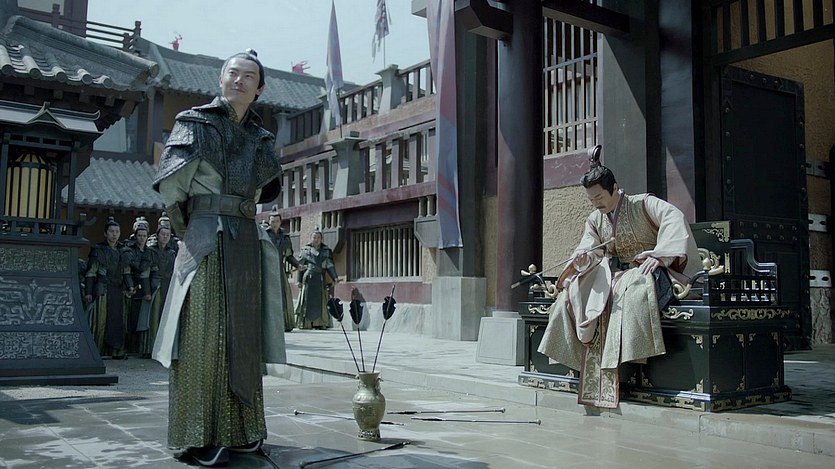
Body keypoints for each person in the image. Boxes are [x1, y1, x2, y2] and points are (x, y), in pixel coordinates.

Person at [151, 49, 285, 467]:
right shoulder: (194, 123)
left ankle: (241, 431)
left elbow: (264, 190)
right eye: (233, 73)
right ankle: (196, 436)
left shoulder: (261, 138)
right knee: (203, 335)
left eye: (249, 77)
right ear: (221, 78)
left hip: (246, 239)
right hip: (207, 237)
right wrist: (195, 227)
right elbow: (172, 189)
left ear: (259, 89)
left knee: (243, 337)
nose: (239, 81)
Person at [537, 145, 701, 408]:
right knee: (573, 293)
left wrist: (659, 255)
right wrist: (582, 257)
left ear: (615, 188)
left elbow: (674, 217)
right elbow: (589, 247)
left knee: (632, 290)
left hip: (651, 270)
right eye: (591, 200)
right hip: (618, 274)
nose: (596, 203)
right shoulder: (595, 219)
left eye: (599, 197)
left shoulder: (642, 203)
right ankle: (581, 364)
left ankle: (630, 367)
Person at [84, 217, 127, 359]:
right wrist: (89, 292)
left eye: (117, 232)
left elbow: (126, 271)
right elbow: (91, 272)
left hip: (118, 289)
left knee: (117, 320)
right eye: (111, 231)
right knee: (100, 321)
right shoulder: (98, 250)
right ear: (105, 233)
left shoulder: (122, 250)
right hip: (103, 288)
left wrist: (129, 287)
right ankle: (97, 350)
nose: (114, 234)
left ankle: (116, 350)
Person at [121, 217, 156, 356]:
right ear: (135, 236)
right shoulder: (129, 250)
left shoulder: (149, 252)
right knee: (129, 318)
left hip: (144, 287)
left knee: (141, 319)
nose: (142, 238)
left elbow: (150, 272)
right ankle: (128, 347)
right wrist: (130, 286)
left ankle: (138, 347)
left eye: (144, 236)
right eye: (139, 236)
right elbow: (126, 270)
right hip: (130, 287)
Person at [264, 206, 302, 332]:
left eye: (277, 221)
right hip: (266, 269)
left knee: (282, 297)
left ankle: (284, 323)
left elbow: (289, 256)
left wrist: (297, 265)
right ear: (269, 222)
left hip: (279, 270)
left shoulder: (285, 237)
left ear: (280, 222)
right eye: (272, 221)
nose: (274, 224)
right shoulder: (264, 235)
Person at [144, 219, 177, 358]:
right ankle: (151, 348)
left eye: (167, 235)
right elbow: (145, 272)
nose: (165, 237)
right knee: (154, 317)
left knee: (167, 317)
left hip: (168, 286)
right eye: (162, 234)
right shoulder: (150, 251)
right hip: (155, 286)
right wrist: (147, 291)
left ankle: (165, 349)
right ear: (157, 236)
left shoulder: (172, 252)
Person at [295, 230, 339, 329]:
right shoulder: (305, 250)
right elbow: (300, 266)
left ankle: (321, 323)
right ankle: (305, 323)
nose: (316, 240)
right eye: (314, 237)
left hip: (320, 278)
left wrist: (334, 277)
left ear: (321, 239)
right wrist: (299, 280)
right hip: (308, 278)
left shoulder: (326, 251)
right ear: (311, 238)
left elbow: (330, 265)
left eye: (318, 238)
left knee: (321, 301)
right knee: (306, 301)